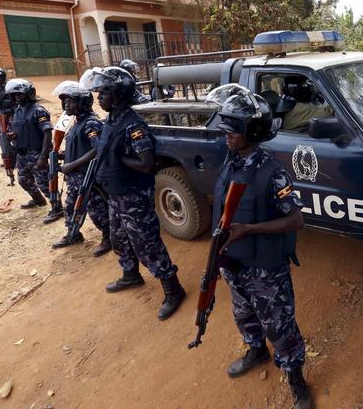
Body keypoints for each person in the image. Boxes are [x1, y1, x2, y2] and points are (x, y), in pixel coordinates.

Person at [208, 84, 311, 409]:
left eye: (231, 131)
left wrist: (249, 229)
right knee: (244, 314)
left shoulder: (273, 172)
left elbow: (296, 220)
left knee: (280, 327)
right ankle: (256, 350)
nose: (225, 135)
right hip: (234, 261)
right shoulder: (232, 160)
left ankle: (297, 381)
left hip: (265, 268)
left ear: (251, 132)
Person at [80, 66, 185, 320]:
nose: (99, 98)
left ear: (117, 95)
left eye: (103, 93)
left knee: (147, 243)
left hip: (133, 195)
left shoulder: (133, 125)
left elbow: (147, 164)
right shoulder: (110, 121)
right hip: (116, 194)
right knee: (119, 238)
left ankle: (173, 288)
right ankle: (131, 274)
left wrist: (120, 158)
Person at [50, 81, 112, 256]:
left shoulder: (91, 123)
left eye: (70, 101)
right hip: (75, 177)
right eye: (64, 102)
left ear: (83, 103)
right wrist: (62, 155)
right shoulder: (76, 122)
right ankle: (73, 234)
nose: (65, 105)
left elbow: (97, 149)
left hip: (88, 177)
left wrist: (72, 165)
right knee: (70, 207)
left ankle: (108, 237)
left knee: (96, 210)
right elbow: (78, 146)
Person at [5, 78, 60, 222]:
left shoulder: (38, 110)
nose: (17, 97)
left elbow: (47, 133)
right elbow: (22, 128)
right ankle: (38, 200)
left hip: (36, 152)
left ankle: (58, 208)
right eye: (14, 95)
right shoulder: (18, 110)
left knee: (44, 182)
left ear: (28, 94)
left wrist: (43, 156)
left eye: (20, 94)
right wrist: (14, 135)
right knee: (23, 180)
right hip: (22, 153)